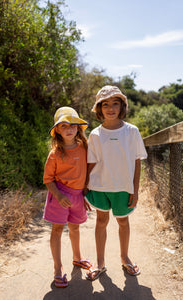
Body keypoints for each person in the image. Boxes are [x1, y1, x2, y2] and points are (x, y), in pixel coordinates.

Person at [84, 85, 147, 281]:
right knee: (101, 221)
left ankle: (124, 257)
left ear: (122, 106)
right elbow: (91, 162)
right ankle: (100, 263)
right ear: (99, 108)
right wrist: (84, 187)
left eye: (115, 103)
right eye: (105, 104)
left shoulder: (132, 131)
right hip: (100, 186)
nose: (110, 108)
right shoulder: (95, 134)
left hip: (123, 187)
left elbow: (137, 162)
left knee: (123, 221)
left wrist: (135, 190)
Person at [43, 106, 92, 288]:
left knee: (75, 228)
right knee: (57, 230)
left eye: (73, 125)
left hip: (78, 196)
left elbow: (88, 171)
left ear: (78, 127)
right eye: (64, 125)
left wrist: (86, 193)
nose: (69, 128)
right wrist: (58, 194)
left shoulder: (85, 147)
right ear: (57, 130)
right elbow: (48, 179)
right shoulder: (55, 153)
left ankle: (77, 258)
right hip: (59, 196)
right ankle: (57, 268)